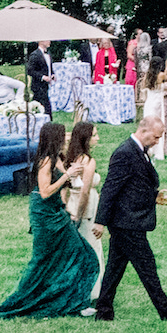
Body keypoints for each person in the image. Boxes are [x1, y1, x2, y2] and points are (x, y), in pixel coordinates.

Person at [0, 122, 100, 318]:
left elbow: (61, 190)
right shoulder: (45, 161)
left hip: (57, 212)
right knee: (42, 261)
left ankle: (73, 301)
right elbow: (45, 192)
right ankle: (27, 300)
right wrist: (67, 176)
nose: (67, 138)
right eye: (64, 135)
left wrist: (66, 206)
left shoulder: (59, 159)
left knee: (83, 256)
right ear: (56, 138)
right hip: (44, 214)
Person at [91, 113, 167, 323]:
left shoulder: (140, 151)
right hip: (127, 222)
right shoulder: (124, 153)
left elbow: (134, 185)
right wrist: (100, 221)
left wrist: (153, 196)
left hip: (129, 220)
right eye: (156, 137)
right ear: (143, 130)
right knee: (147, 266)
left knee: (115, 268)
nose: (157, 141)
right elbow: (110, 188)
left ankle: (104, 309)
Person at [64, 121, 104, 300]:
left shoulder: (70, 157)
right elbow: (86, 190)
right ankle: (92, 291)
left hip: (72, 203)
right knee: (91, 246)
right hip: (85, 207)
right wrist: (81, 214)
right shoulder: (88, 161)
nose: (97, 138)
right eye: (94, 135)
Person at [140, 64, 165, 159]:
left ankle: (148, 148)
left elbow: (143, 87)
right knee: (158, 125)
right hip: (158, 101)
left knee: (148, 125)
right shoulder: (161, 75)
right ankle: (158, 151)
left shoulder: (147, 75)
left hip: (149, 101)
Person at [26, 39, 55, 115]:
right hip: (38, 85)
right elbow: (30, 70)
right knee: (42, 106)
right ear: (41, 41)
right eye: (47, 40)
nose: (49, 42)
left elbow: (48, 67)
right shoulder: (35, 55)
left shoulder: (48, 53)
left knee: (43, 106)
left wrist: (52, 74)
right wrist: (42, 77)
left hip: (45, 85)